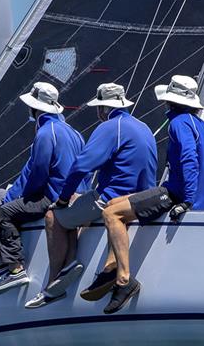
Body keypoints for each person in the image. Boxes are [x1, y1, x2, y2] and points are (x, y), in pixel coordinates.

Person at [27, 82, 157, 309]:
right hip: (140, 201)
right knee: (83, 207)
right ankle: (107, 267)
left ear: (102, 109)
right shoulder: (144, 127)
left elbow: (80, 167)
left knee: (54, 217)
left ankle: (54, 283)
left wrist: (64, 198)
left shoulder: (109, 127)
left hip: (111, 198)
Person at [97, 75, 204, 314]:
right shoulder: (198, 123)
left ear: (168, 101)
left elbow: (189, 159)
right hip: (189, 193)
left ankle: (123, 280)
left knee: (111, 214)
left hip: (177, 194)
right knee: (114, 203)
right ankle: (111, 264)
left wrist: (188, 200)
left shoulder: (179, 123)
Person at [0, 82, 87, 295]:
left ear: (35, 107)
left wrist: (15, 198)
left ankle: (14, 269)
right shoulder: (73, 132)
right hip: (79, 196)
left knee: (2, 213)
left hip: (55, 197)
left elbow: (38, 175)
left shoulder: (44, 133)